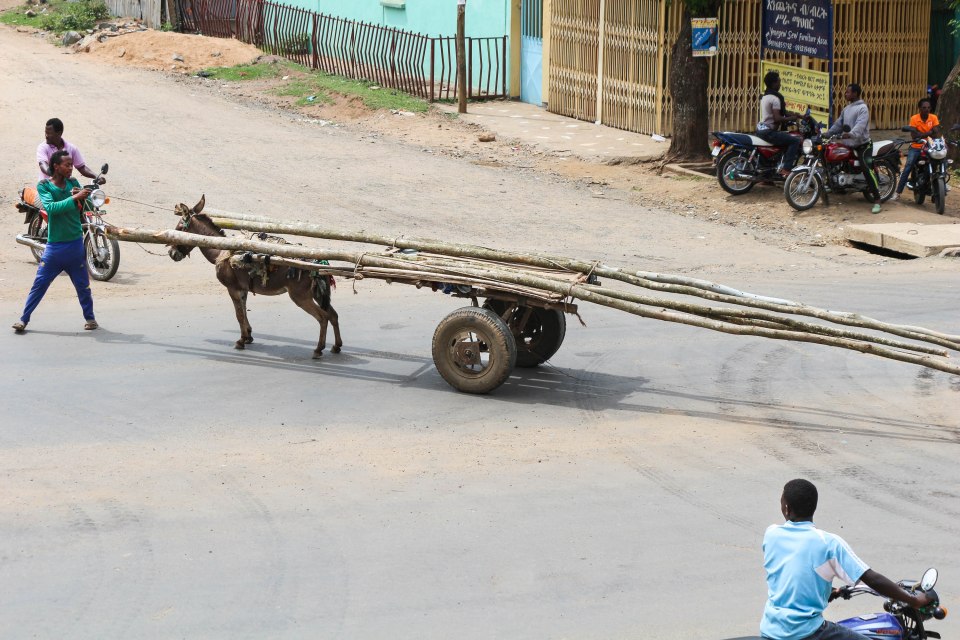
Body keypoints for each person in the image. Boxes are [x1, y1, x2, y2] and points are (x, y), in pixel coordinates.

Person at [760, 479, 932, 640]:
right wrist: (914, 600)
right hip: (805, 632)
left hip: (771, 628)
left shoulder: (772, 534)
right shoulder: (828, 543)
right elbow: (872, 579)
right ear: (813, 507)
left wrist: (828, 591)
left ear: (786, 509)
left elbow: (793, 570)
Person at [12, 150, 98, 334]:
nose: (71, 168)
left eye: (71, 165)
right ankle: (23, 319)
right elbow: (51, 208)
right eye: (67, 165)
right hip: (55, 248)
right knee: (39, 284)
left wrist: (87, 196)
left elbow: (88, 208)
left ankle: (90, 319)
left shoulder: (73, 183)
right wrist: (74, 197)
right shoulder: (44, 186)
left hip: (75, 245)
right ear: (56, 166)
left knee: (83, 286)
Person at [826, 84, 882, 214]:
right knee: (834, 159)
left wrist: (850, 134)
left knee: (865, 168)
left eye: (848, 92)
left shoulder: (863, 108)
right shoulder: (846, 109)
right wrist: (827, 134)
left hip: (863, 145)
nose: (845, 94)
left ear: (855, 93)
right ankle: (836, 185)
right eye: (845, 92)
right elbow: (838, 124)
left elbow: (860, 126)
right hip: (849, 144)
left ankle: (877, 199)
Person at [893, 98, 941, 201]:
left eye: (928, 107)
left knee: (937, 163)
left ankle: (936, 189)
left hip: (930, 147)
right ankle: (898, 192)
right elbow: (914, 136)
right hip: (916, 147)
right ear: (919, 108)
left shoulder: (933, 117)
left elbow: (936, 133)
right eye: (924, 107)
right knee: (908, 166)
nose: (926, 109)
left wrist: (922, 134)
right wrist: (929, 133)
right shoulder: (914, 118)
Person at [757, 70, 802, 178]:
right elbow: (777, 118)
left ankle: (766, 177)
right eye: (779, 82)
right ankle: (786, 169)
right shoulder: (775, 99)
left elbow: (784, 112)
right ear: (774, 83)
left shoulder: (765, 96)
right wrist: (792, 118)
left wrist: (799, 116)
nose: (780, 84)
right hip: (768, 131)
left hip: (761, 129)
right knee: (795, 141)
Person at [36, 117, 103, 184]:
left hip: (65, 187)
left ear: (59, 133)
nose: (46, 136)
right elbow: (42, 164)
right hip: (46, 187)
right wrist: (56, 174)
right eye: (46, 133)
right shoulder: (42, 147)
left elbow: (82, 168)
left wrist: (97, 177)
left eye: (49, 133)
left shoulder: (72, 148)